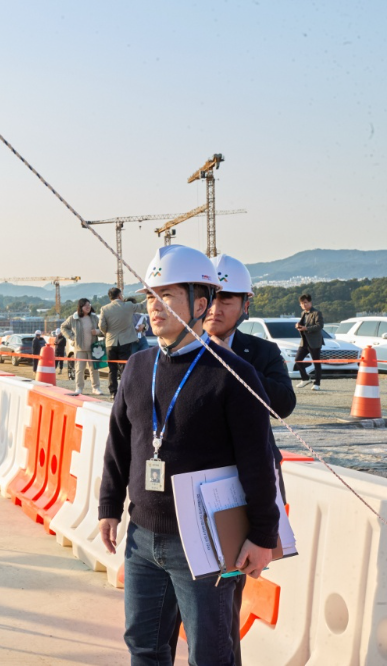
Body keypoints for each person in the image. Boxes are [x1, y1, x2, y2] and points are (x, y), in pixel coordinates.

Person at [98, 244, 278, 666]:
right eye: (149, 296)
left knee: (211, 654)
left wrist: (263, 536)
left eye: (168, 296)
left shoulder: (232, 374)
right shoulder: (140, 366)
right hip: (142, 538)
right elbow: (120, 441)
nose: (154, 307)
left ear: (201, 304)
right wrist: (109, 507)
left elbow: (258, 460)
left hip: (207, 542)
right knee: (144, 647)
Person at [194, 253, 296, 665]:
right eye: (211, 299)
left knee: (225, 599)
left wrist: (231, 366)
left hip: (241, 490)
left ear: (246, 304)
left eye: (228, 300)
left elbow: (284, 405)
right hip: (192, 490)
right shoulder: (179, 351)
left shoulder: (262, 352)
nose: (217, 309)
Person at [99, 288, 143, 398]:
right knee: (124, 368)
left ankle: (113, 392)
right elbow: (142, 307)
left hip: (110, 342)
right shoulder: (128, 306)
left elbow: (101, 326)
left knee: (112, 369)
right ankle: (124, 392)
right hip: (125, 341)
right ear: (119, 296)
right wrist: (152, 295)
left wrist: (107, 333)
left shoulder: (104, 309)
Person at [62, 298, 104, 395]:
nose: (88, 307)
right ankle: (79, 388)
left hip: (94, 347)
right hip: (79, 348)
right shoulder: (74, 318)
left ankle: (96, 388)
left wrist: (97, 332)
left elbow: (103, 329)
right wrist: (72, 337)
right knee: (79, 369)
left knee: (94, 369)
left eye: (89, 305)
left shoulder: (94, 317)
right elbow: (63, 327)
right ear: (80, 307)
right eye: (86, 305)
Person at [293, 294, 324, 391]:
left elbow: (319, 326)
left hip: (314, 342)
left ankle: (317, 383)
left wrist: (306, 328)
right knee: (298, 360)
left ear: (310, 302)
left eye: (306, 303)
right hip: (304, 341)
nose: (304, 305)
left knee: (316, 363)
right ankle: (305, 378)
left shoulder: (317, 312)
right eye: (302, 303)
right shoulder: (303, 313)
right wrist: (298, 325)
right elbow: (302, 324)